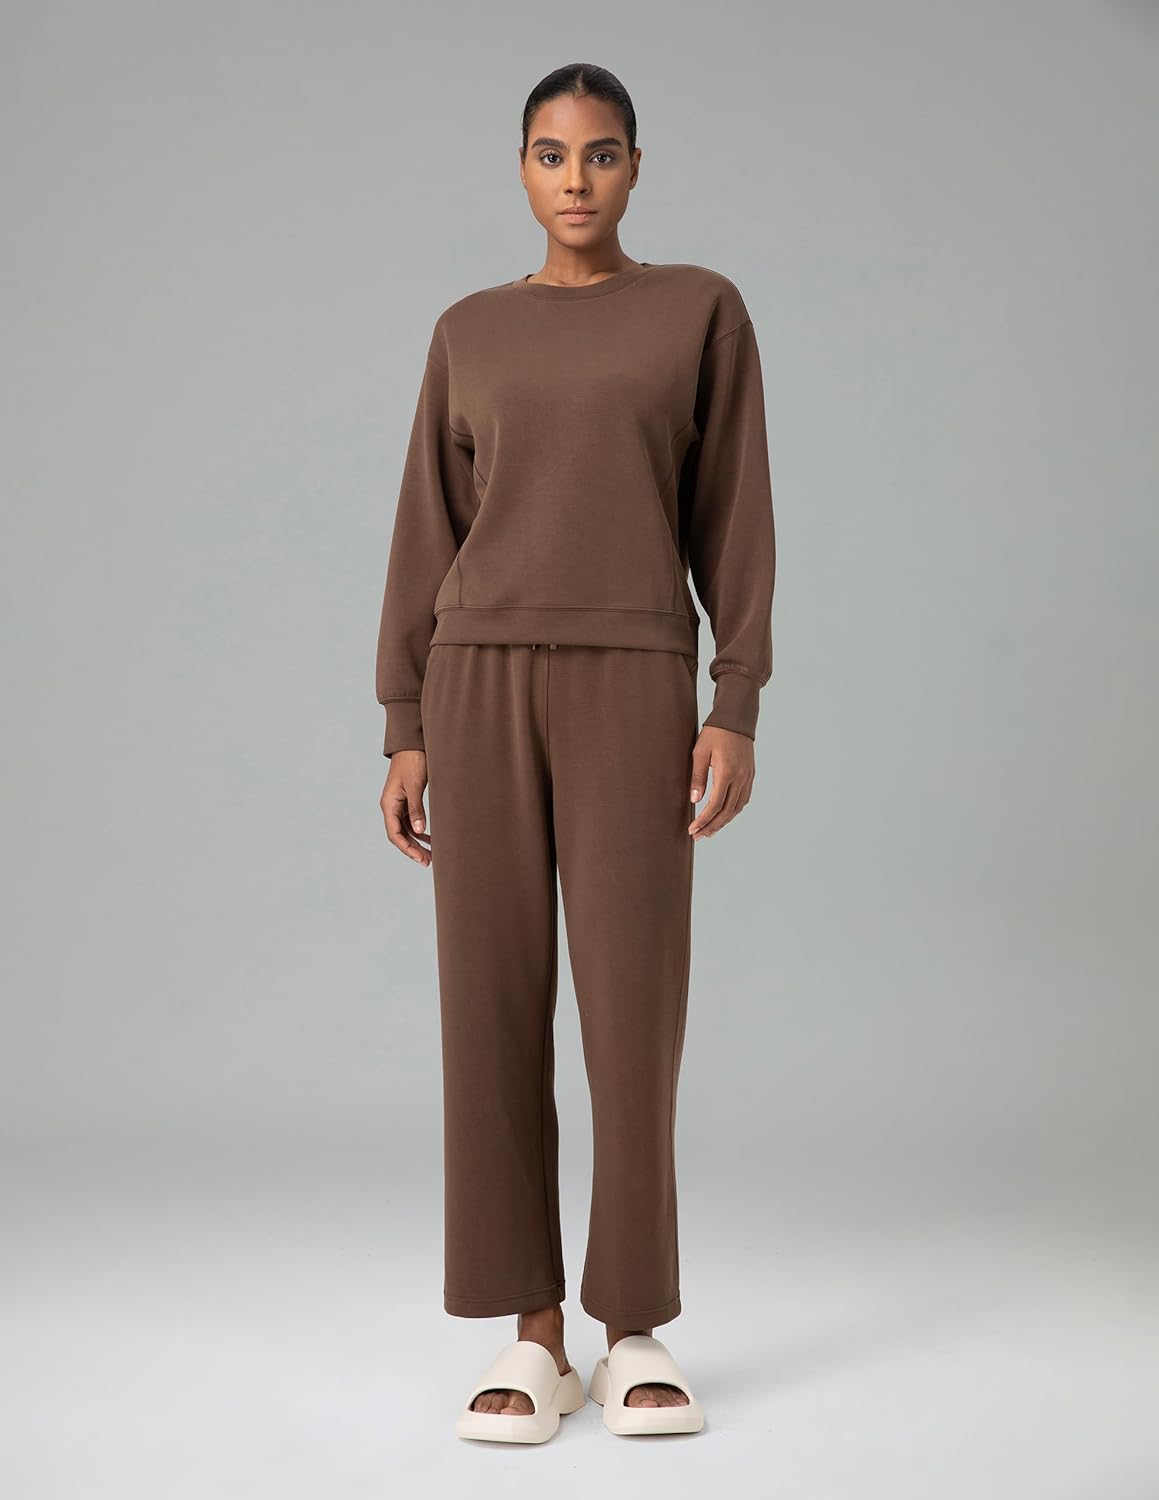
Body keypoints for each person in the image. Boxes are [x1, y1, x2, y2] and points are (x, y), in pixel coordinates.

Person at [375, 63, 776, 1443]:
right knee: (487, 1005)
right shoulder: (470, 329)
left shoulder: (700, 311)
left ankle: (634, 1324)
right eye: (551, 155)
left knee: (631, 1008)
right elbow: (426, 531)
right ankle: (532, 1333)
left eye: (601, 154)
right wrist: (404, 722)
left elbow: (734, 517)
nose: (576, 179)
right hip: (477, 679)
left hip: (635, 681)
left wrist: (735, 700)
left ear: (636, 167)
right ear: (521, 169)